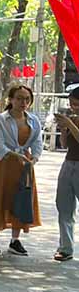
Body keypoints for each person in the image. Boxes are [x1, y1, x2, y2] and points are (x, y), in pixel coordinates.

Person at [0, 84, 42, 256]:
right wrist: (15, 155)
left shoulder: (33, 120)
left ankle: (15, 240)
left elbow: (37, 143)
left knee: (21, 199)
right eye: (19, 98)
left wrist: (34, 158)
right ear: (11, 100)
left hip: (25, 165)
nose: (23, 102)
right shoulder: (1, 120)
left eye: (27, 99)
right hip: (4, 164)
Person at [52, 87, 79, 261]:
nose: (73, 107)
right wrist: (63, 128)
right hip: (68, 164)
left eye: (76, 104)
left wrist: (70, 124)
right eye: (71, 104)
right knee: (64, 206)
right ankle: (65, 247)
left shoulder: (74, 121)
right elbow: (64, 144)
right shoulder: (72, 119)